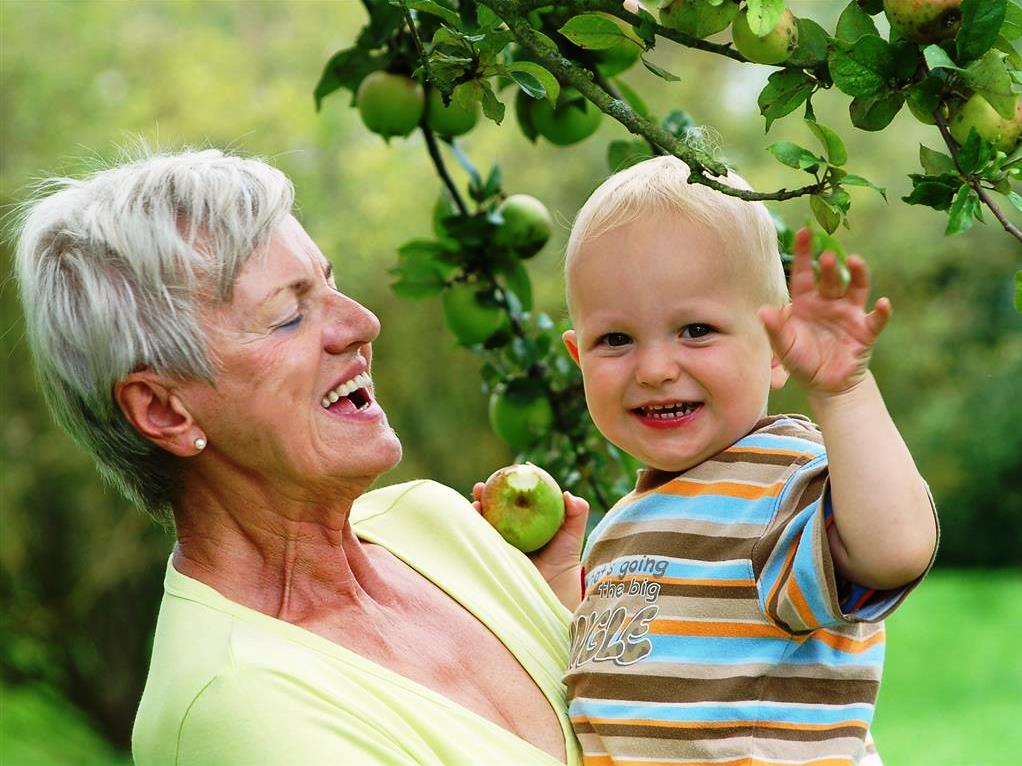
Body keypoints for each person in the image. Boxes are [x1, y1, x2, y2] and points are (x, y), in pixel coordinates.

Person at [14, 147, 591, 765]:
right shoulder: (233, 708)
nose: (362, 323)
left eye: (330, 282)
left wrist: (588, 614)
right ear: (164, 411)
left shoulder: (436, 522)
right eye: (289, 316)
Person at [554, 155, 939, 765]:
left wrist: (843, 394)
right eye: (616, 339)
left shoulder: (780, 480)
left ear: (775, 347)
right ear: (579, 357)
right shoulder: (631, 520)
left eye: (696, 329)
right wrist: (556, 576)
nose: (654, 369)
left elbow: (894, 549)